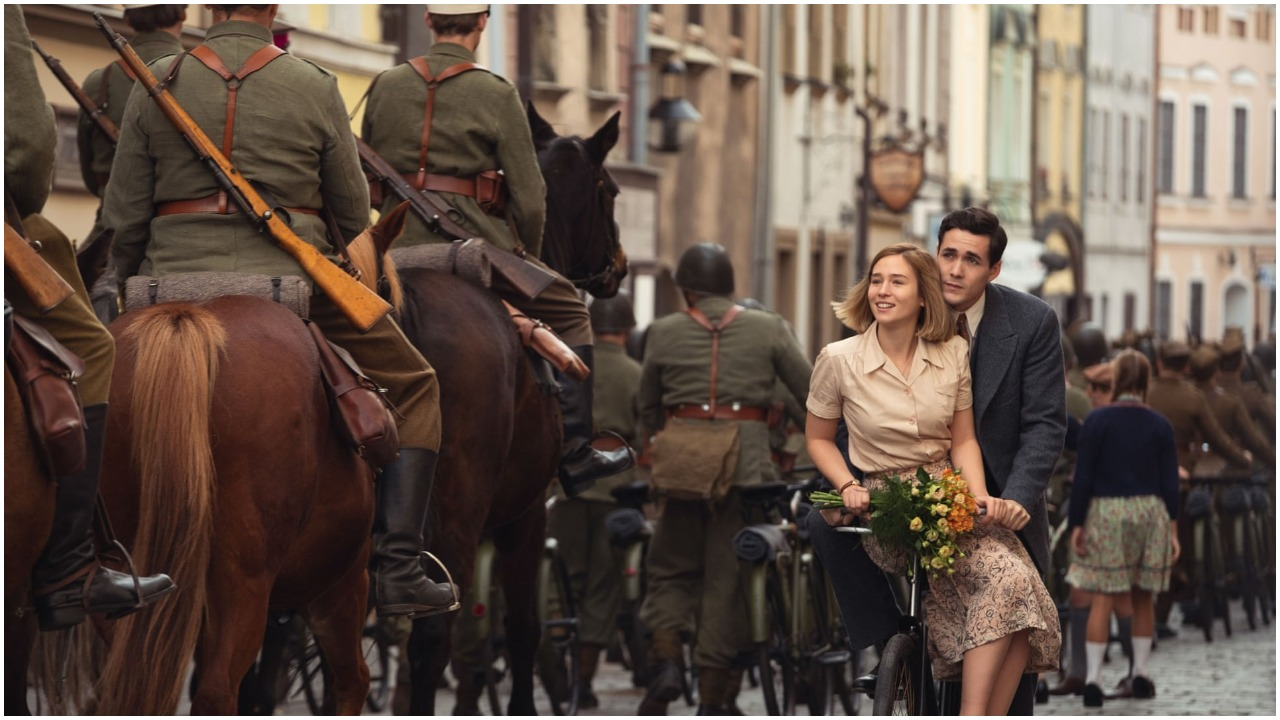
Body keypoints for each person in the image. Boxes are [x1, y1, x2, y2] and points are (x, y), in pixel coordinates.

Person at [102, 3, 457, 618]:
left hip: (162, 286)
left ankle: (74, 556)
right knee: (419, 384)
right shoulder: (314, 84)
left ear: (207, 8)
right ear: (272, 9)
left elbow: (123, 219)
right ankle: (399, 569)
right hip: (286, 287)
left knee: (71, 385)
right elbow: (352, 218)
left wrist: (123, 284)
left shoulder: (154, 79)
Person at [359, 4, 632, 496]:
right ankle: (575, 452)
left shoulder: (385, 85)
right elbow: (530, 195)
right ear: (482, 23)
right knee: (571, 310)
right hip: (469, 251)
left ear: (428, 22)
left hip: (391, 255)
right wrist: (523, 249)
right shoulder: (495, 92)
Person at [806, 207, 1067, 715]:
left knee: (1016, 591)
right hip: (881, 484)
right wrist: (843, 485)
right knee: (821, 524)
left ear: (993, 270)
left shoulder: (1030, 322)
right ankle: (890, 649)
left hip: (988, 493)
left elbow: (1043, 426)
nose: (955, 268)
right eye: (947, 254)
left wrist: (1007, 498)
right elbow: (831, 430)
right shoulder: (845, 354)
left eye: (971, 260)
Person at [5, 4, 175, 631]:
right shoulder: (306, 80)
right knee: (91, 349)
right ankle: (67, 568)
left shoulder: (106, 78)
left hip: (127, 242)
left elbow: (114, 186)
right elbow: (24, 150)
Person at [635, 243, 812, 715]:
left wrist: (656, 448)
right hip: (745, 470)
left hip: (680, 466)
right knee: (726, 581)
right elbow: (809, 396)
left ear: (687, 290)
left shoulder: (662, 332)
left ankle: (668, 657)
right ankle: (713, 700)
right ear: (729, 285)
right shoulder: (769, 328)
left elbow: (647, 404)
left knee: (670, 568)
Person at [1066, 350, 1180, 708]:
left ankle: (1095, 679)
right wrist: (1173, 529)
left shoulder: (1098, 421)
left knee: (1102, 594)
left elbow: (1083, 477)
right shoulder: (1161, 424)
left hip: (1107, 512)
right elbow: (1169, 483)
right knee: (1143, 595)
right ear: (1145, 383)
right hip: (1150, 512)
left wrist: (1077, 523)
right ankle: (1141, 673)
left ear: (1116, 381)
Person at [547, 290, 643, 710]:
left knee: (562, 581)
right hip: (616, 491)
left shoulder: (567, 365)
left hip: (567, 488)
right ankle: (583, 682)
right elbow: (648, 428)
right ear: (626, 329)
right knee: (603, 589)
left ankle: (557, 673)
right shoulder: (636, 373)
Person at [77, 4, 188, 324]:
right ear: (182, 15)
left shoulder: (100, 81)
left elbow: (89, 175)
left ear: (128, 17)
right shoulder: (198, 75)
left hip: (108, 234)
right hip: (173, 238)